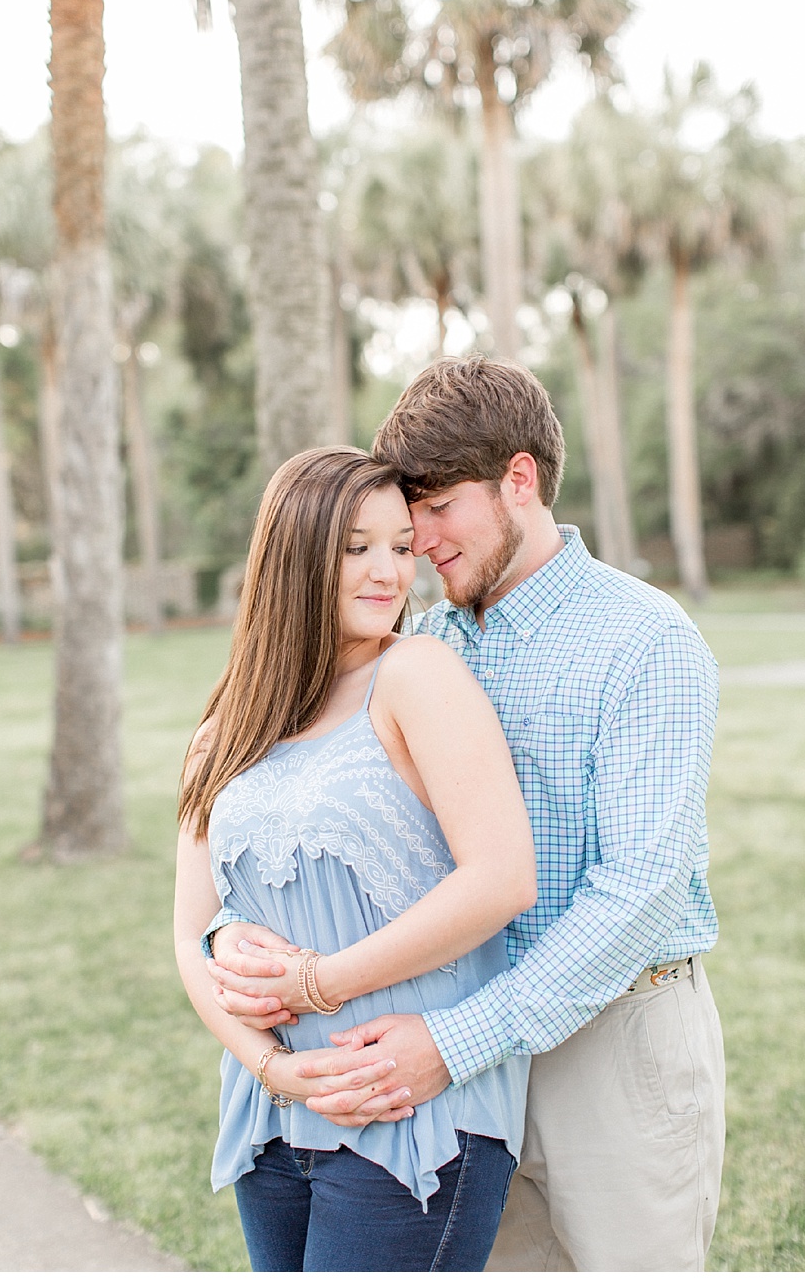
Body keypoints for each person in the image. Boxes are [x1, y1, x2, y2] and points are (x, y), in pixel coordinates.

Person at [209, 356, 725, 1271]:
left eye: (438, 505)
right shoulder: (421, 641)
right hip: (447, 1048)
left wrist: (458, 1040)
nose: (417, 536)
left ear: (518, 480)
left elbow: (639, 891)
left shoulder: (645, 639)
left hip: (609, 1041)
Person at [175, 444, 539, 1270]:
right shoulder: (222, 733)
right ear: (294, 555)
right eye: (356, 547)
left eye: (402, 547)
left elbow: (502, 876)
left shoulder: (417, 674)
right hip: (273, 1115)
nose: (390, 572)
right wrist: (272, 1067)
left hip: (408, 1107)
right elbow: (188, 936)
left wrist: (318, 983)